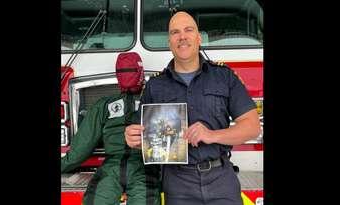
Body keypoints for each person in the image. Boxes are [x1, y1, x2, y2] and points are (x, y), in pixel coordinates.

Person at [124, 12, 261, 205]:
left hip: (221, 179)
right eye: (175, 32)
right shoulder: (155, 85)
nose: (182, 37)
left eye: (189, 30)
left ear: (198, 38)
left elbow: (252, 127)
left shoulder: (224, 77)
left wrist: (212, 135)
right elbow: (145, 137)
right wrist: (133, 138)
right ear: (169, 41)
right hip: (178, 184)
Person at [61, 52, 161, 205]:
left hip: (112, 167)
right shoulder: (156, 103)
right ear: (141, 73)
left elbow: (81, 148)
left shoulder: (103, 105)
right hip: (144, 168)